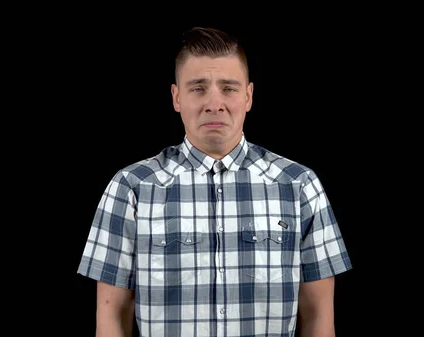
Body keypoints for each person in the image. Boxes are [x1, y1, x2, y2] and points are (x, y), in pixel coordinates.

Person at [77, 26, 352, 337]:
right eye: (198, 88)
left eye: (228, 88)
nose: (214, 103)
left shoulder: (300, 186)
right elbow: (112, 317)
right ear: (176, 97)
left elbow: (318, 319)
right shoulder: (130, 188)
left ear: (248, 96)